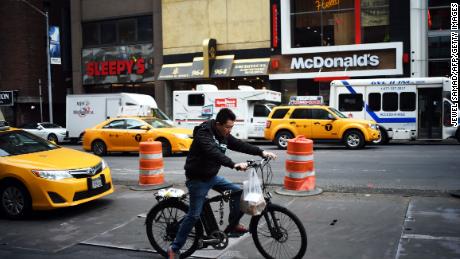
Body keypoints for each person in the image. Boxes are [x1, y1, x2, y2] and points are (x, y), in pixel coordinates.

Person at [168, 108, 276, 258]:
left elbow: (239, 144)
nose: (229, 130)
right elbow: (213, 152)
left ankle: (233, 226)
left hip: (212, 176)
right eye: (227, 127)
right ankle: (174, 248)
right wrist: (233, 164)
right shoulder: (204, 133)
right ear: (218, 124)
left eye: (232, 127)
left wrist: (261, 152)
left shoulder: (223, 134)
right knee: (193, 215)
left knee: (238, 193)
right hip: (197, 179)